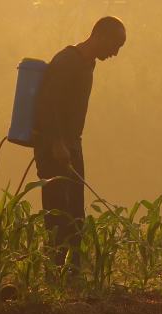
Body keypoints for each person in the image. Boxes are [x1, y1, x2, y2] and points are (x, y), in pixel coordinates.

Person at [32, 16, 126, 275]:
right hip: (54, 148)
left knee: (75, 215)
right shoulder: (66, 61)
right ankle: (53, 274)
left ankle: (72, 276)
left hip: (72, 146)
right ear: (100, 36)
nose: (115, 53)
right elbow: (46, 105)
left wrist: (70, 145)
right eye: (115, 45)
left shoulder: (88, 65)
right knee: (57, 213)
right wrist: (56, 143)